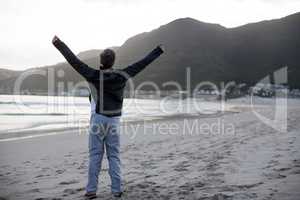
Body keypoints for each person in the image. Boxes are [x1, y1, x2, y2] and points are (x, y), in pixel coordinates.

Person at [52, 36, 164, 199]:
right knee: (114, 156)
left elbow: (73, 61)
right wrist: (158, 51)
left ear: (101, 61)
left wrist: (58, 44)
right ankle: (116, 190)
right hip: (114, 121)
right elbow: (142, 63)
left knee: (95, 155)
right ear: (113, 61)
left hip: (98, 120)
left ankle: (91, 191)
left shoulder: (93, 74)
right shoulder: (122, 75)